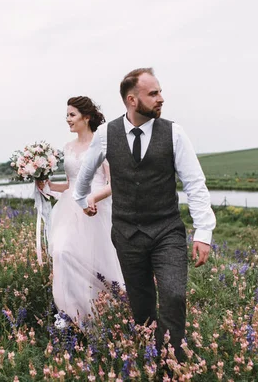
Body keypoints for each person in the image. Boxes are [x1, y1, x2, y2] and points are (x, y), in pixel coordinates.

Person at [73, 68, 216, 361]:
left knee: (174, 295)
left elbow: (195, 184)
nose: (161, 98)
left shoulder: (174, 132)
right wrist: (81, 201)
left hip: (167, 231)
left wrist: (203, 232)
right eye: (153, 93)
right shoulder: (106, 135)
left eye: (160, 92)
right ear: (132, 100)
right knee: (141, 306)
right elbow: (84, 175)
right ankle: (152, 360)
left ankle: (173, 362)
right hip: (126, 234)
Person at [38, 96, 125, 322]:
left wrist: (93, 198)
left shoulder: (102, 143)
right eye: (67, 115)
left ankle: (105, 314)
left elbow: (112, 183)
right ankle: (71, 313)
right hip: (70, 209)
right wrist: (46, 185)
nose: (68, 119)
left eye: (72, 115)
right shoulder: (67, 147)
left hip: (97, 207)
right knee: (62, 252)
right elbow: (71, 183)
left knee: (97, 261)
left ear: (86, 117)